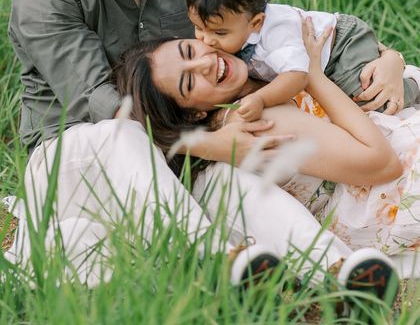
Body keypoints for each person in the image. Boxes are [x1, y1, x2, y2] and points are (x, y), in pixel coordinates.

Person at [4, 0, 408, 296]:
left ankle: (344, 275)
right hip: (73, 158)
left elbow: (252, 38)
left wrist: (383, 56)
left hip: (173, 152)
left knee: (229, 182)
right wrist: (207, 143)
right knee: (126, 134)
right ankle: (211, 258)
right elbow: (103, 105)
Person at [113, 18, 420, 281]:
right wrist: (312, 75)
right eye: (188, 81)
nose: (205, 63)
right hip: (399, 185)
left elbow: (351, 44)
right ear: (192, 114)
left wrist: (392, 58)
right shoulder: (253, 122)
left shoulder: (259, 66)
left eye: (189, 51)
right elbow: (381, 164)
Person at [186, 0, 419, 121]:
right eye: (198, 28)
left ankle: (413, 85)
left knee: (366, 100)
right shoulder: (234, 26)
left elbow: (297, 77)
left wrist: (260, 99)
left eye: (219, 33)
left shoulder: (276, 33)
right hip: (321, 60)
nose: (206, 40)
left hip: (341, 46)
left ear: (256, 22)